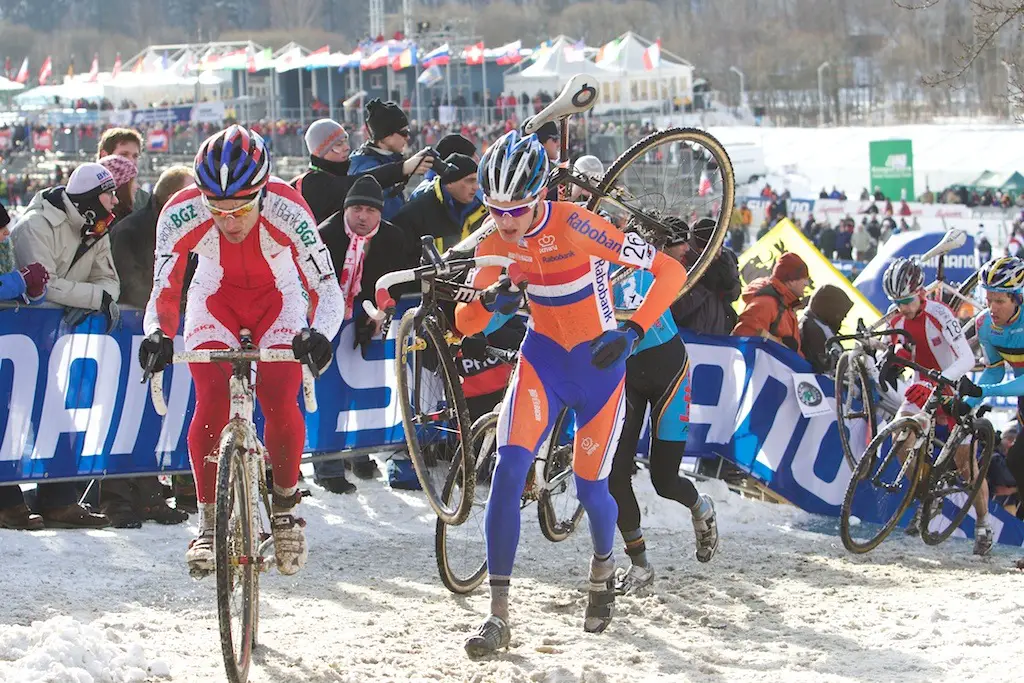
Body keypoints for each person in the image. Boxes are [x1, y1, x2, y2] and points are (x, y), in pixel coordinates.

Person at [455, 130, 686, 655]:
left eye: (516, 208)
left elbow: (669, 270)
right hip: (542, 362)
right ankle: (498, 616)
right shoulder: (492, 241)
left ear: (540, 195)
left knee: (590, 490)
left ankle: (604, 563)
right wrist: (494, 302)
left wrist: (632, 332)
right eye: (495, 208)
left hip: (598, 372)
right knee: (509, 470)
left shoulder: (577, 224)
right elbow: (465, 322)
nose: (506, 221)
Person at [139, 125, 344, 576]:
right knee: (210, 398)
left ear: (263, 193)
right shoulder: (180, 211)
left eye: (240, 209)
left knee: (277, 395)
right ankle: (210, 524)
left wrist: (321, 333)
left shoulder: (289, 208)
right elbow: (164, 290)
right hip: (216, 297)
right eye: (217, 209)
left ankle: (286, 506)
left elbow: (327, 289)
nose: (229, 221)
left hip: (280, 298)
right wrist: (156, 332)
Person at [2, 163, 123, 529]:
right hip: (24, 337)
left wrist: (89, 300)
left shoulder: (98, 225)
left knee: (57, 414)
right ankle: (8, 501)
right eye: (109, 192)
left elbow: (110, 282)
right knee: (9, 417)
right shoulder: (35, 226)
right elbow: (45, 286)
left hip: (53, 341)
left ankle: (59, 499)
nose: (115, 199)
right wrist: (93, 299)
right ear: (90, 197)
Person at [607, 252, 718, 596]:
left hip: (668, 370)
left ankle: (702, 509)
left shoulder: (627, 252)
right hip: (625, 374)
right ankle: (640, 565)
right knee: (615, 475)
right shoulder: (579, 268)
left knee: (664, 480)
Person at [877, 257, 989, 552]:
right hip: (923, 383)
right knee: (900, 439)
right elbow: (897, 345)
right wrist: (888, 359)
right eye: (896, 301)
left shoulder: (940, 313)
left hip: (952, 384)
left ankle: (983, 524)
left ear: (921, 291)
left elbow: (966, 358)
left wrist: (945, 379)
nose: (901, 306)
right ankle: (926, 496)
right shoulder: (897, 315)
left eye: (906, 300)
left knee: (967, 466)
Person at [316, 175, 419, 492]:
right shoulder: (325, 235)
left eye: (370, 211)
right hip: (325, 314)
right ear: (346, 210)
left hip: (368, 312)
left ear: (380, 213)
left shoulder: (393, 237)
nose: (362, 217)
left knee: (365, 387)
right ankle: (327, 464)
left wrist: (380, 315)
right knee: (329, 391)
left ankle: (359, 454)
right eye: (356, 209)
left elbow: (397, 283)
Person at [963, 258, 1024, 522]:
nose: (992, 308)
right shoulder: (984, 325)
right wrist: (971, 396)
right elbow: (996, 369)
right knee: (1017, 463)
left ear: (1017, 298)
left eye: (999, 301)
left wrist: (986, 391)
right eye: (988, 300)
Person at [291, 118, 429, 225]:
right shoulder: (311, 183)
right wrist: (404, 168)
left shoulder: (333, 175)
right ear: (321, 152)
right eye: (338, 145)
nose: (346, 148)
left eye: (346, 141)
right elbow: (357, 183)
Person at [111, 165, 195, 309]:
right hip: (136, 319)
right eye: (192, 196)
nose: (198, 202)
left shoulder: (196, 233)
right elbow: (129, 286)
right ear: (173, 199)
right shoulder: (129, 231)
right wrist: (172, 305)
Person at [348, 99, 433, 220]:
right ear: (385, 136)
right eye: (404, 132)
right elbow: (389, 215)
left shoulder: (386, 159)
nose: (408, 137)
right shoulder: (364, 166)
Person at [391, 153, 485, 250]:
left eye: (477, 181)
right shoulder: (415, 214)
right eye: (470, 181)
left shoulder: (482, 212)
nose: (476, 187)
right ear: (450, 183)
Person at [732, 252, 809, 355]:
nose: (807, 283)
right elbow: (742, 338)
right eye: (804, 278)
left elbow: (794, 352)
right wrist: (779, 345)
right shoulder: (766, 303)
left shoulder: (787, 304)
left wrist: (804, 366)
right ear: (791, 280)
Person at [799, 284, 853, 374]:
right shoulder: (811, 328)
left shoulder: (819, 324)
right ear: (829, 309)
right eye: (840, 313)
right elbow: (823, 365)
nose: (844, 316)